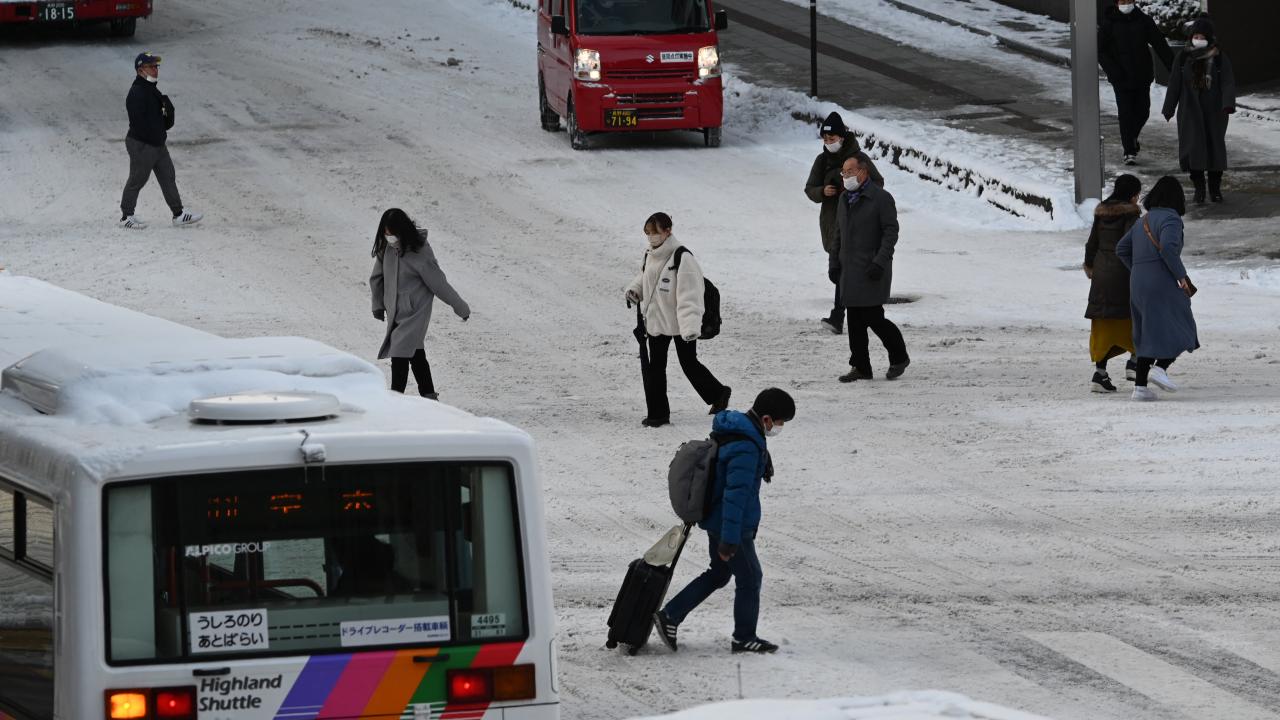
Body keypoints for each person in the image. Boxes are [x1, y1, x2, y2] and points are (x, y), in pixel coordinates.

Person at [653, 388, 795, 654]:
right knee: (751, 578)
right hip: (732, 526)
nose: (780, 427)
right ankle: (744, 637)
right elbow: (735, 496)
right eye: (779, 422)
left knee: (719, 573)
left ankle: (670, 615)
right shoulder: (746, 447)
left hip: (717, 518)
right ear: (766, 419)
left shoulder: (740, 433)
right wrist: (730, 539)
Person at [624, 212, 731, 427]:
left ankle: (719, 393)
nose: (651, 237)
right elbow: (645, 277)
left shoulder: (683, 258)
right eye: (647, 233)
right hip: (656, 321)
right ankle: (658, 415)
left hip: (682, 324)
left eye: (654, 233)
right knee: (655, 368)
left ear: (668, 231)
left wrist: (691, 327)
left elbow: (690, 296)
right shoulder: (650, 254)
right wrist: (635, 290)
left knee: (688, 364)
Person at [369, 208, 470, 400]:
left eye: (392, 233)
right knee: (415, 353)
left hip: (415, 312)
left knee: (399, 354)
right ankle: (429, 396)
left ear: (402, 230)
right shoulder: (386, 249)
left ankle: (395, 398)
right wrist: (378, 304)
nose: (388, 236)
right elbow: (376, 278)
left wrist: (460, 307)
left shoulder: (419, 251)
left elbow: (438, 282)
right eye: (385, 232)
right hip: (395, 312)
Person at [1116, 176, 1198, 401]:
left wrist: (1138, 269)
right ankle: (1160, 368)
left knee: (1146, 331)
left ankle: (1140, 388)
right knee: (1184, 325)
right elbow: (1169, 250)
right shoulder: (1171, 219)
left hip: (1138, 282)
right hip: (1160, 280)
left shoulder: (1143, 220)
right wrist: (1181, 276)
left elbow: (1121, 249)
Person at [829, 152, 909, 383]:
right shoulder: (844, 200)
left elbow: (890, 233)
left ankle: (899, 356)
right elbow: (838, 234)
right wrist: (834, 263)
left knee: (874, 317)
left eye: (850, 172)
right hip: (849, 270)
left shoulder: (881, 199)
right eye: (843, 172)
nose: (846, 176)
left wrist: (880, 262)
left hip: (872, 269)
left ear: (863, 172)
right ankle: (861, 366)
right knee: (854, 320)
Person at [119, 52, 202, 230]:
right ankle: (126, 216)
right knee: (137, 179)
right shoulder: (137, 92)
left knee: (168, 177)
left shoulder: (151, 89)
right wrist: (151, 141)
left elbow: (160, 121)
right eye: (151, 66)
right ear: (140, 70)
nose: (156, 69)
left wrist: (167, 115)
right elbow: (139, 122)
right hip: (142, 144)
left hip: (157, 144)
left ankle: (178, 214)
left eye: (156, 66)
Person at [1162, 16, 1236, 204]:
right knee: (1193, 150)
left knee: (1215, 149)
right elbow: (1174, 84)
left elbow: (1228, 82)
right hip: (1190, 112)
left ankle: (1214, 188)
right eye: (1196, 35)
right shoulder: (1183, 57)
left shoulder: (1219, 58)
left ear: (1209, 38)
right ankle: (1199, 188)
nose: (1198, 39)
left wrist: (1227, 104)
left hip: (1214, 112)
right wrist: (1169, 108)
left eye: (1202, 36)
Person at [1083, 174, 1142, 393]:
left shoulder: (1101, 212)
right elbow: (1131, 245)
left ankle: (1100, 374)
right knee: (1133, 317)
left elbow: (1091, 244)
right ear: (1132, 194)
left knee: (1103, 322)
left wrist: (1091, 268)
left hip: (1101, 273)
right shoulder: (1132, 214)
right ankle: (1135, 362)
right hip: (1124, 274)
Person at [804, 112, 861, 334]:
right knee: (837, 272)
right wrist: (822, 191)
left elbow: (877, 183)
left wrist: (853, 189)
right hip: (831, 224)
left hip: (854, 226)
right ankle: (847, 313)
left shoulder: (858, 159)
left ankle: (839, 315)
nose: (829, 144)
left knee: (844, 271)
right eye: (825, 140)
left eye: (832, 139)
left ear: (842, 137)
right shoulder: (822, 160)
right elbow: (810, 188)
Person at [1098, 0, 1173, 165]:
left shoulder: (1143, 20)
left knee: (1142, 112)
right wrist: (1114, 71)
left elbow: (1159, 43)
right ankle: (1129, 151)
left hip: (1142, 76)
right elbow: (1100, 50)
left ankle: (1131, 138)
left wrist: (1174, 69)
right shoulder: (1109, 23)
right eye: (1123, 1)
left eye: (1129, 1)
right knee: (1125, 114)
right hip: (1121, 78)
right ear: (1117, 3)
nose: (1126, 4)